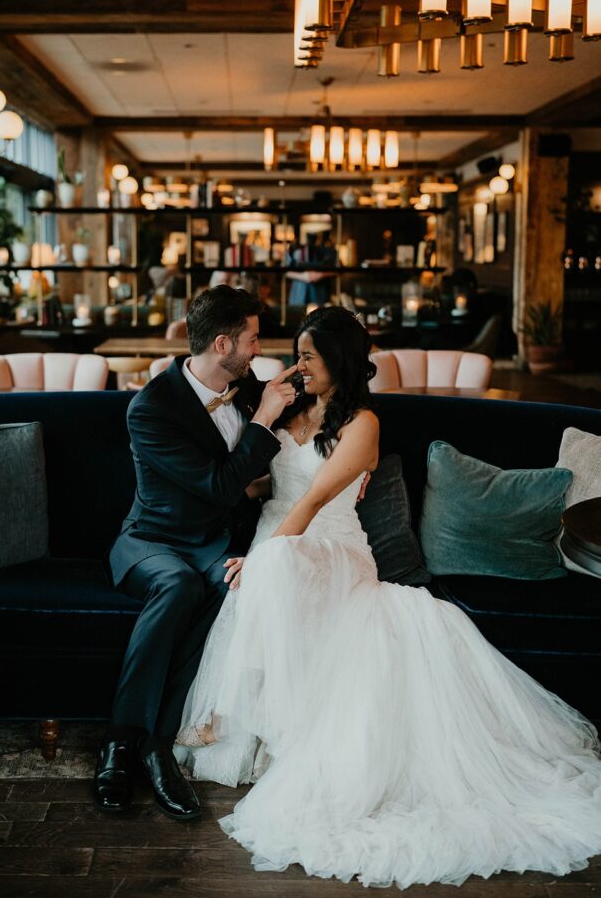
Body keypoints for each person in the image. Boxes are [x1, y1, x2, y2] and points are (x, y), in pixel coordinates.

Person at [175, 306, 601, 888]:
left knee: (270, 570)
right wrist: (259, 425)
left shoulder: (364, 424)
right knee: (269, 572)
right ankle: (255, 715)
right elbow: (260, 485)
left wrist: (264, 556)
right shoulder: (289, 406)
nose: (297, 365)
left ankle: (230, 712)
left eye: (307, 357)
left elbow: (312, 501)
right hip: (279, 537)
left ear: (338, 362)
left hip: (328, 543)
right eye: (297, 355)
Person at [93, 285, 298, 817]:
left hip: (213, 544)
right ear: (224, 343)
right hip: (151, 541)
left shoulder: (248, 385)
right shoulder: (151, 408)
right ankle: (119, 742)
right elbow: (218, 485)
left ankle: (158, 746)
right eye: (253, 340)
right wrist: (261, 422)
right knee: (179, 582)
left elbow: (310, 422)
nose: (258, 350)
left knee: (225, 584)